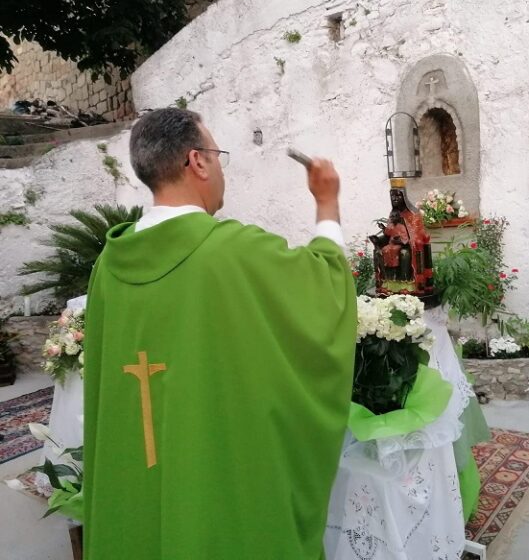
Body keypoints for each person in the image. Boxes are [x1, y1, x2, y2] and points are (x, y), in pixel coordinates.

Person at [83, 108, 357, 559]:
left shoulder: (108, 267)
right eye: (218, 154)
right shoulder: (234, 252)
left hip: (134, 481)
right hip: (216, 484)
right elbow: (326, 290)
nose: (221, 167)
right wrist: (326, 203)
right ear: (198, 162)